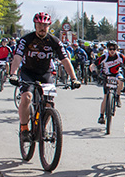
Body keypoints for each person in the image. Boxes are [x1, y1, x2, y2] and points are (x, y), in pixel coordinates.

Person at [9, 13, 81, 142]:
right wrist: (13, 74)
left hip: (45, 73)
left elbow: (65, 60)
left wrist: (74, 78)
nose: (42, 28)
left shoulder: (54, 41)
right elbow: (17, 57)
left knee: (49, 103)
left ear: (49, 26)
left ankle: (42, 126)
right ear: (35, 25)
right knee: (26, 97)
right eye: (39, 25)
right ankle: (24, 128)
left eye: (45, 25)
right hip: (28, 72)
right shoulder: (26, 39)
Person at [92, 41, 125, 124]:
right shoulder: (104, 57)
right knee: (105, 97)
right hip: (106, 76)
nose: (112, 51)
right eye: (110, 49)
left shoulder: (120, 56)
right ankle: (101, 115)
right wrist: (93, 71)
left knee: (121, 80)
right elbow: (93, 64)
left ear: (116, 49)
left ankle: (118, 96)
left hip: (116, 74)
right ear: (107, 49)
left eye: (114, 49)